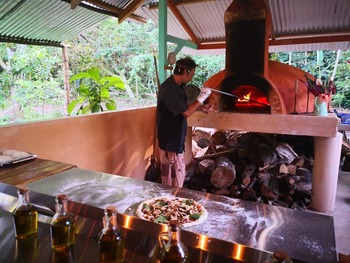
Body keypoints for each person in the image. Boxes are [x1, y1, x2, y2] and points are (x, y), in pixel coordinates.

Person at [157, 56, 211, 187]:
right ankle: (171, 200)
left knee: (176, 174)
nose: (191, 78)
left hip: (175, 137)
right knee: (172, 177)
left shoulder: (178, 87)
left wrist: (201, 107)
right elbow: (186, 113)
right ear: (186, 72)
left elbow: (184, 106)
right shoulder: (169, 89)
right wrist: (201, 98)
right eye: (192, 74)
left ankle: (173, 198)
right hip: (170, 139)